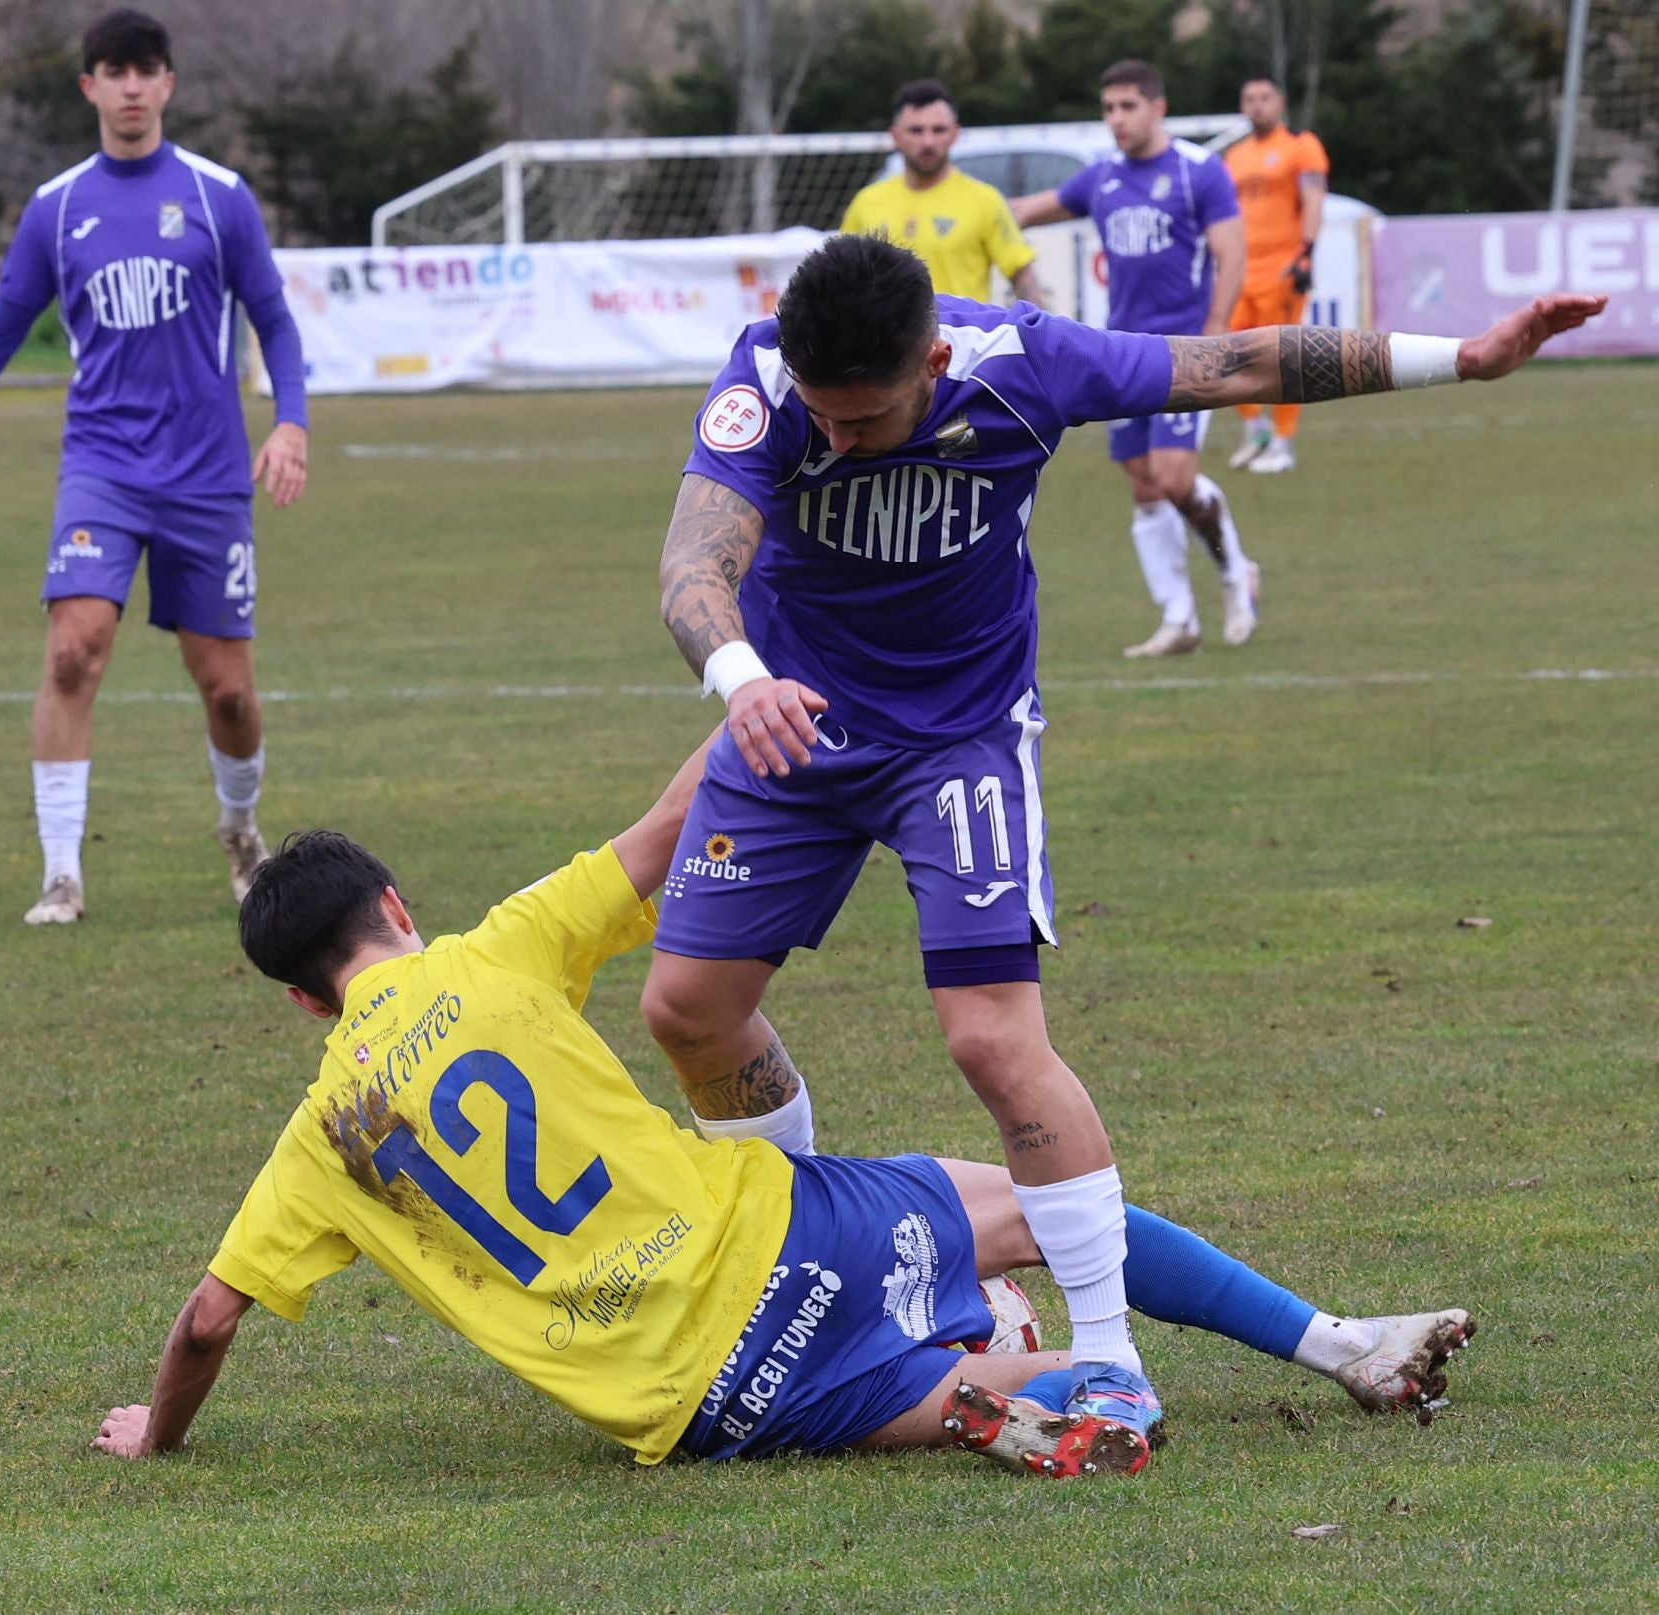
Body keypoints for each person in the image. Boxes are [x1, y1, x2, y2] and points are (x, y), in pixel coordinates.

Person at [639, 226, 1601, 1471]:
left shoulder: (1024, 363)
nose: (830, 443)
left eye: (862, 421)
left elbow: (1243, 361)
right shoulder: (767, 376)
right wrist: (740, 677)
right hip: (790, 725)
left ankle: (1111, 1358)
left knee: (991, 1036)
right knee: (687, 1010)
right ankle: (819, 1254)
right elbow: (691, 565)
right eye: (818, 420)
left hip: (958, 743)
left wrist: (1461, 359)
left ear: (932, 361)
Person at [90, 752, 1476, 1477]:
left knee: (933, 1398)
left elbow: (207, 1320)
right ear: (397, 906)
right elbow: (675, 813)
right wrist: (766, 669)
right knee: (1049, 1209)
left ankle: (1025, 1389)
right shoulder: (495, 948)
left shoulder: (316, 1142)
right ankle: (1341, 1344)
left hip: (701, 1398)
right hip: (777, 1235)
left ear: (302, 1005)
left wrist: (157, 1432)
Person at [0, 8, 309, 926]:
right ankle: (62, 874)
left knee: (228, 689)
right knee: (71, 651)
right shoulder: (58, 210)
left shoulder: (220, 198)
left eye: (147, 70)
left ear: (168, 84)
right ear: (89, 86)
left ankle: (240, 830)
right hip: (101, 466)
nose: (132, 87)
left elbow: (276, 319)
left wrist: (290, 423)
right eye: (113, 71)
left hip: (208, 477)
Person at [1009, 60, 1257, 657]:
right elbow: (1021, 212)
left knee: (1175, 479)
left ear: (1158, 107)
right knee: (1145, 486)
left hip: (1188, 353)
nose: (1117, 118)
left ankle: (1234, 572)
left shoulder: (1200, 172)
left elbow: (1232, 254)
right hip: (1123, 354)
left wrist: (1216, 334)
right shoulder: (1102, 178)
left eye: (1128, 106)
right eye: (1109, 108)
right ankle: (1179, 618)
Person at [841, 80, 1047, 308]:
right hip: (887, 342)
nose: (928, 141)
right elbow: (844, 280)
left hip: (962, 340)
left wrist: (1036, 335)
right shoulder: (866, 203)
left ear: (955, 134)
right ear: (896, 136)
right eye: (916, 130)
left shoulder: (984, 200)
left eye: (938, 130)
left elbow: (1022, 275)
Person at [1223, 76, 1331, 474]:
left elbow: (1314, 199)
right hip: (1240, 271)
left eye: (1264, 98)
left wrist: (1306, 254)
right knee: (1227, 353)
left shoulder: (1301, 146)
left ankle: (1284, 445)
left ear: (1280, 103)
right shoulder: (1235, 155)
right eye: (1249, 98)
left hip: (1281, 270)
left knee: (1283, 359)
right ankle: (1256, 429)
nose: (1257, 105)